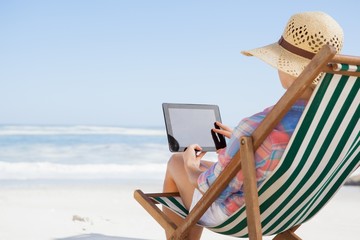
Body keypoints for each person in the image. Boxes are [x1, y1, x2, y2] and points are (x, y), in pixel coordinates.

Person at [162, 11, 344, 239]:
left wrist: (190, 166)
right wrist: (243, 145)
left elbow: (210, 187)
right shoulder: (332, 124)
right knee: (205, 165)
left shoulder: (259, 125)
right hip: (287, 211)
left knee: (176, 161)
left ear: (288, 68)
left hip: (240, 215)